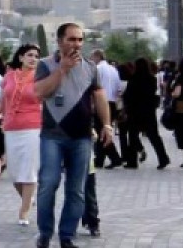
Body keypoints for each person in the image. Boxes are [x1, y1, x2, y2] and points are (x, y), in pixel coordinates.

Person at [34, 23, 113, 248]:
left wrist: (107, 125)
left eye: (80, 39)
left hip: (81, 137)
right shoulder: (45, 65)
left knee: (77, 190)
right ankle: (45, 233)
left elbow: (99, 96)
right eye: (71, 39)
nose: (76, 44)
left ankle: (67, 236)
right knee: (48, 184)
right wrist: (62, 69)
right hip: (52, 136)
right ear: (60, 41)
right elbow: (40, 92)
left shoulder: (90, 67)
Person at [0, 44, 41, 226]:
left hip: (33, 127)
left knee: (29, 169)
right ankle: (28, 199)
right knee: (14, 172)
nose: (33, 59)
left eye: (36, 56)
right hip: (11, 128)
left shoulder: (40, 77)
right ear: (21, 57)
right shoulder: (9, 76)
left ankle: (24, 211)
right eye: (30, 55)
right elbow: (2, 101)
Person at [122, 58, 170, 169]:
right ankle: (163, 158)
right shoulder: (152, 79)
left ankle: (132, 161)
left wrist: (126, 109)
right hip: (149, 112)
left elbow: (128, 96)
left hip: (135, 112)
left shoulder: (133, 79)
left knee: (133, 136)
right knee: (154, 136)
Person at [90, 50, 124, 169]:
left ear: (97, 56)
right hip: (112, 102)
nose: (91, 59)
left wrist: (92, 103)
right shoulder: (113, 69)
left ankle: (115, 157)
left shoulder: (97, 69)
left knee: (101, 130)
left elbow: (94, 87)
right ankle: (100, 159)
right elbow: (119, 88)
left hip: (101, 102)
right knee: (104, 129)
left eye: (92, 57)